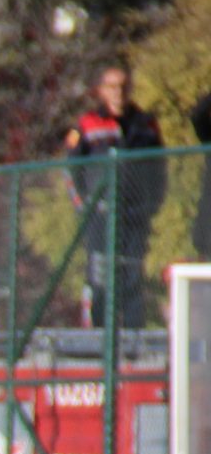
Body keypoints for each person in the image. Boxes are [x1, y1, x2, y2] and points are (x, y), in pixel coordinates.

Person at [66, 64, 166, 328]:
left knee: (132, 274)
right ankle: (99, 333)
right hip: (100, 215)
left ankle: (133, 336)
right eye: (112, 86)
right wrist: (85, 205)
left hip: (135, 214)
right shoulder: (87, 124)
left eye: (123, 86)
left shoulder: (145, 124)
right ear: (101, 90)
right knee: (100, 277)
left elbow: (159, 168)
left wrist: (153, 203)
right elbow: (71, 169)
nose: (118, 92)